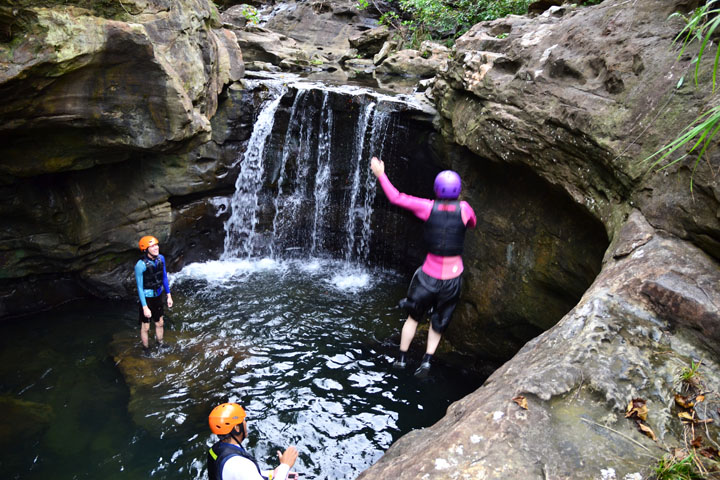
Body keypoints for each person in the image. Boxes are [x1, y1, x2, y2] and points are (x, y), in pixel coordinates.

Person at [370, 156, 477, 377]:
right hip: (452, 279)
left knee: (413, 317)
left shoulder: (427, 207)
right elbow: (472, 223)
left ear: (436, 190)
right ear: (457, 191)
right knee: (439, 320)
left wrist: (381, 174)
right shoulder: (465, 209)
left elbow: (396, 198)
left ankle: (401, 358)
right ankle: (427, 361)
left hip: (427, 276)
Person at [208, 403, 299, 480]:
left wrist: (274, 474)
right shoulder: (239, 465)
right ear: (237, 428)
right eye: (243, 420)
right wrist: (285, 466)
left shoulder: (216, 449)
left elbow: (247, 475)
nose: (245, 423)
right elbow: (243, 472)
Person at [135, 235, 173, 352]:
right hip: (146, 298)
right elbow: (140, 288)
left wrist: (168, 295)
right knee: (146, 327)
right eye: (152, 246)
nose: (156, 247)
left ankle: (160, 344)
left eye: (156, 245)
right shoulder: (140, 265)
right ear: (146, 249)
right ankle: (146, 348)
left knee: (160, 322)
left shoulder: (161, 258)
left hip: (158, 295)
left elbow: (164, 277)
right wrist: (145, 307)